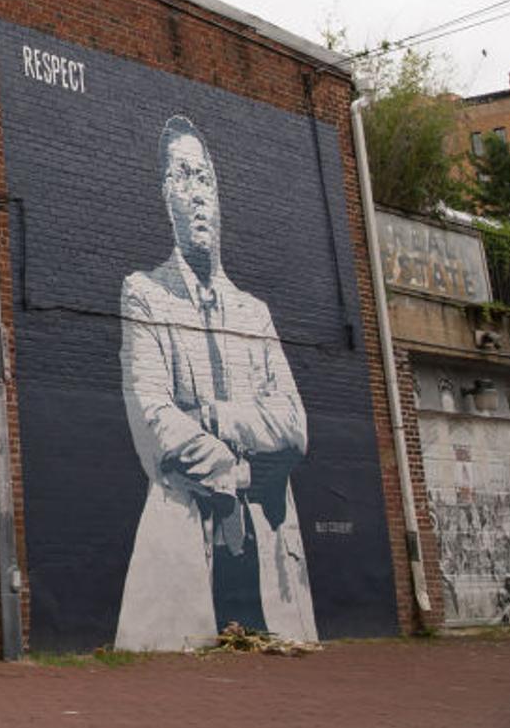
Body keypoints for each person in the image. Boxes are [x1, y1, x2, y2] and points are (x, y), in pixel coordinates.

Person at [114, 115, 316, 650]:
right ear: (165, 195)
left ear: (219, 194)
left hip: (269, 551)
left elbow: (295, 426)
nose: (197, 193)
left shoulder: (256, 314)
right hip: (185, 539)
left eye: (204, 178)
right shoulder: (144, 296)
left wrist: (214, 417)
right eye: (183, 177)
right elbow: (155, 423)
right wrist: (239, 473)